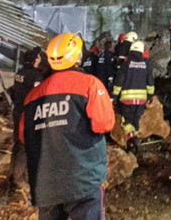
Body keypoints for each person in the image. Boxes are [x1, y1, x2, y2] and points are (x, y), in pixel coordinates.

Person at [21, 32, 115, 219]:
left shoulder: (33, 96)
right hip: (83, 180)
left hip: (45, 182)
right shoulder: (90, 84)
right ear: (77, 56)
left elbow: (24, 136)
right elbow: (104, 124)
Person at [8, 46, 44, 191]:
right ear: (36, 59)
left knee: (17, 143)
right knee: (27, 145)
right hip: (28, 113)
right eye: (39, 56)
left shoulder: (19, 73)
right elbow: (39, 95)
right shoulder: (35, 76)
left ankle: (12, 173)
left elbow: (13, 92)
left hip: (18, 110)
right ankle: (20, 177)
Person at [113, 40, 155, 154]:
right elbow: (150, 81)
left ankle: (132, 139)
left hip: (127, 100)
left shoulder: (126, 64)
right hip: (141, 99)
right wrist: (150, 95)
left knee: (127, 121)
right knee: (135, 121)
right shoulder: (146, 64)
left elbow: (119, 81)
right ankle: (131, 145)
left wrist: (115, 95)